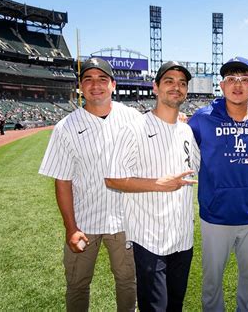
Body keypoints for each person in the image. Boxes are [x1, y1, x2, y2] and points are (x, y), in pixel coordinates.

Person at [39, 57, 139, 312]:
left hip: (124, 221)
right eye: (88, 80)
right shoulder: (65, 128)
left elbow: (162, 129)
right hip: (84, 222)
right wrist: (70, 227)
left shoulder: (134, 119)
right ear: (81, 87)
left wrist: (179, 117)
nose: (96, 85)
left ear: (113, 85)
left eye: (102, 79)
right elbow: (62, 181)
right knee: (77, 284)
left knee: (128, 282)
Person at [104, 61, 199, 312]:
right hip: (150, 239)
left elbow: (198, 168)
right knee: (154, 307)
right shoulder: (133, 128)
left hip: (182, 237)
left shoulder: (187, 131)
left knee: (175, 305)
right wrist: (159, 184)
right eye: (169, 81)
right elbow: (112, 178)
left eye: (182, 83)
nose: (176, 87)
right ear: (155, 87)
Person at [188, 56, 248, 311]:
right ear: (222, 85)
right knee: (212, 281)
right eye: (231, 79)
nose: (237, 85)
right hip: (215, 216)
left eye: (244, 80)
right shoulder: (203, 118)